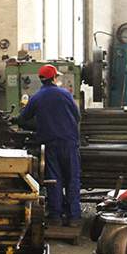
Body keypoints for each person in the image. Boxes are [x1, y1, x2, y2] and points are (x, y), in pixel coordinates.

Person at [19, 64, 82, 227]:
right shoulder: (65, 94)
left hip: (50, 144)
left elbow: (23, 119)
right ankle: (74, 217)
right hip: (68, 143)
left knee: (54, 180)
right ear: (54, 78)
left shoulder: (37, 97)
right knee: (72, 179)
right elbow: (77, 116)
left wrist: (41, 123)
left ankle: (55, 216)